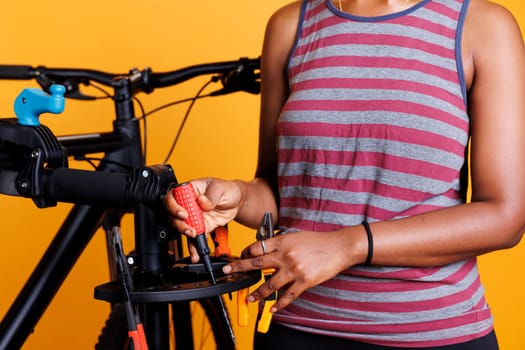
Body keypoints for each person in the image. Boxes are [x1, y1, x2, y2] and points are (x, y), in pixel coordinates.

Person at [165, 0, 525, 348]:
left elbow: (505, 217)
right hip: (295, 327)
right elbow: (279, 194)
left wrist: (345, 246)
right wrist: (237, 197)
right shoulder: (290, 26)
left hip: (430, 333)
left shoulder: (482, 26)